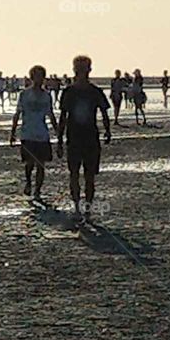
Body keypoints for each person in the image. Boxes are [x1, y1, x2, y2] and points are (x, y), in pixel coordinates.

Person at [57, 55, 111, 222]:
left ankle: (86, 208)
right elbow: (63, 117)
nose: (82, 72)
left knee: (89, 176)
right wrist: (59, 139)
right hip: (74, 138)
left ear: (89, 70)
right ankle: (77, 206)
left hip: (90, 138)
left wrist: (108, 130)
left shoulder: (95, 92)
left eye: (84, 69)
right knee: (74, 174)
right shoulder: (69, 92)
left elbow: (104, 113)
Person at [10, 65, 58, 201]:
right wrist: (13, 132)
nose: (39, 80)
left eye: (41, 77)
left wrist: (58, 132)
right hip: (27, 134)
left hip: (42, 134)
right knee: (29, 163)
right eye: (36, 76)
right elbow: (17, 113)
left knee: (41, 164)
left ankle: (37, 190)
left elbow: (51, 115)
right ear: (31, 78)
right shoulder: (24, 94)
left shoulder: (47, 96)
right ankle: (28, 183)